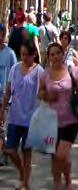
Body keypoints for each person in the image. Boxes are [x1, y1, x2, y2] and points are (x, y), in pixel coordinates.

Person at [39, 42, 78, 190]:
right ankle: (58, 182)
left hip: (70, 121)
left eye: (58, 53)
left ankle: (68, 179)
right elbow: (40, 94)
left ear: (63, 54)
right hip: (51, 122)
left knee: (61, 155)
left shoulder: (73, 71)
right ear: (49, 57)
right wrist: (46, 96)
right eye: (52, 54)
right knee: (54, 156)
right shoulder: (45, 75)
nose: (56, 56)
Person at [1, 40, 43, 190]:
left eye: (27, 55)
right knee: (10, 149)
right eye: (22, 54)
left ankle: (25, 184)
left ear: (33, 55)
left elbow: (44, 94)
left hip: (31, 120)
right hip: (14, 117)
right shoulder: (14, 69)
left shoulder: (39, 71)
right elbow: (8, 92)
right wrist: (2, 112)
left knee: (27, 153)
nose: (24, 58)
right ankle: (22, 173)